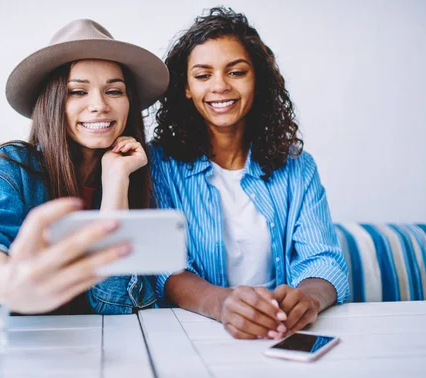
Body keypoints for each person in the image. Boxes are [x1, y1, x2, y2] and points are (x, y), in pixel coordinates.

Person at [0, 19, 169, 315]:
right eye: (78, 92)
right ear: (52, 102)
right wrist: (6, 281)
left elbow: (114, 303)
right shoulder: (9, 168)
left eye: (115, 91)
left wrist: (116, 182)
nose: (100, 105)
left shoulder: (137, 173)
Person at [150, 7, 350, 339]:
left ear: (257, 78)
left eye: (236, 72)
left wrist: (309, 300)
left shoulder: (298, 167)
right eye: (203, 75)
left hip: (280, 334)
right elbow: (165, 270)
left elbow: (323, 260)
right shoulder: (160, 166)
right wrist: (223, 303)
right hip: (193, 335)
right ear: (186, 87)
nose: (220, 86)